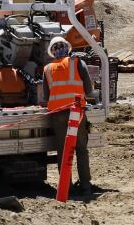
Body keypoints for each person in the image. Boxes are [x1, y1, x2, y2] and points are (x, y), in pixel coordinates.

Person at [43, 37, 94, 196]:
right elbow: (89, 89)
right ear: (68, 48)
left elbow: (46, 96)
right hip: (76, 111)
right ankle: (85, 186)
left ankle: (67, 187)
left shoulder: (47, 69)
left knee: (64, 151)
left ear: (52, 52)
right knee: (81, 149)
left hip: (58, 114)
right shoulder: (78, 63)